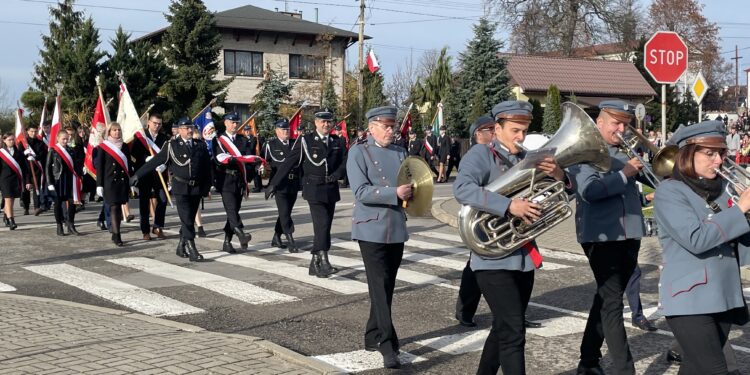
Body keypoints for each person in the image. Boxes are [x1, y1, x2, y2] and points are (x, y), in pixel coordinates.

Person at [454, 101, 567, 375]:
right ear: (497, 128)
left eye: (524, 130)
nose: (521, 137)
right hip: (491, 260)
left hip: (522, 257)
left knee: (503, 328)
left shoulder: (526, 157)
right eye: (515, 130)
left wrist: (558, 174)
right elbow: (463, 189)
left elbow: (560, 194)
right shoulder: (481, 154)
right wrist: (508, 206)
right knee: (514, 331)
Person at [653, 120, 750, 375]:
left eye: (720, 153)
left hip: (724, 295)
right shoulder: (670, 192)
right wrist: (740, 209)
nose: (718, 161)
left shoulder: (721, 191)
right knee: (715, 370)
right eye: (709, 154)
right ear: (687, 153)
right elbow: (697, 239)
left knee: (695, 369)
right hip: (689, 299)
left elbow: (741, 245)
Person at [567, 100, 647, 375]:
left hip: (630, 232)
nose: (622, 129)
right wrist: (625, 174)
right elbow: (589, 191)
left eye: (625, 124)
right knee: (613, 302)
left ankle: (588, 359)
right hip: (600, 236)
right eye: (616, 123)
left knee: (606, 298)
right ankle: (625, 370)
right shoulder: (583, 152)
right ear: (599, 123)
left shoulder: (625, 151)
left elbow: (649, 177)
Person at [347, 106, 412, 369]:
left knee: (386, 287)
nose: (390, 130)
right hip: (370, 228)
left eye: (392, 125)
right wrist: (394, 192)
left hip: (395, 226)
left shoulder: (400, 152)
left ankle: (372, 334)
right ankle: (388, 344)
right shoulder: (358, 152)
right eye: (385, 126)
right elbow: (361, 192)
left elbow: (411, 181)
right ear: (372, 127)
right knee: (379, 284)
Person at [266, 108, 348, 278]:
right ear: (316, 123)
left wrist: (337, 175)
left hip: (331, 189)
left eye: (328, 121)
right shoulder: (306, 140)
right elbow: (289, 161)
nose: (326, 124)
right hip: (314, 189)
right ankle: (324, 260)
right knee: (322, 224)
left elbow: (345, 162)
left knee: (325, 227)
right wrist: (273, 183)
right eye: (322, 121)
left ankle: (314, 264)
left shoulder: (337, 142)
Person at [130, 117, 212, 262]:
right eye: (186, 128)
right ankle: (192, 249)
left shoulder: (200, 145)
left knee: (189, 219)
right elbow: (156, 160)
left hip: (196, 188)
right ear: (179, 130)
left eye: (191, 127)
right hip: (181, 188)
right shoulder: (172, 145)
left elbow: (206, 168)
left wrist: (207, 187)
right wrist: (137, 175)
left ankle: (181, 246)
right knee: (186, 219)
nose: (189, 130)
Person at [212, 112, 253, 253]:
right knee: (231, 210)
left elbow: (248, 157)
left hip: (239, 180)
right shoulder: (218, 140)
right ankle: (241, 234)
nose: (234, 125)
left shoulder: (242, 139)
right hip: (225, 180)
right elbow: (219, 158)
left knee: (234, 211)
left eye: (236, 122)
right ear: (225, 123)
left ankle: (227, 241)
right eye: (231, 122)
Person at [264, 118, 301, 253]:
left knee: (286, 212)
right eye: (283, 129)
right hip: (279, 185)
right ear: (277, 131)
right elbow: (264, 163)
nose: (286, 132)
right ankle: (290, 238)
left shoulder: (295, 144)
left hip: (293, 183)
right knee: (284, 212)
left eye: (287, 129)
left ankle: (276, 236)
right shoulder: (271, 145)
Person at [131, 113, 170, 241]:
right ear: (149, 122)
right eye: (155, 123)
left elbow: (168, 155)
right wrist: (145, 158)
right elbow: (134, 154)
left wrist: (164, 165)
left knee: (163, 200)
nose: (157, 126)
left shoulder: (165, 138)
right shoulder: (142, 137)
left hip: (159, 174)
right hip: (145, 174)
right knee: (144, 203)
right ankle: (145, 230)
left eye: (159, 124)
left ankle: (157, 226)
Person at [96, 122, 132, 247]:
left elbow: (129, 166)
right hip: (109, 182)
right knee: (114, 207)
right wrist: (99, 184)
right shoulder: (103, 147)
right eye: (114, 130)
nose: (117, 132)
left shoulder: (125, 146)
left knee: (119, 209)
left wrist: (132, 181)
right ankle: (117, 235)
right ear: (109, 132)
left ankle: (115, 232)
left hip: (122, 181)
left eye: (119, 130)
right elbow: (99, 167)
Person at [46, 130, 83, 236]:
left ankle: (71, 224)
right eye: (63, 138)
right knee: (58, 203)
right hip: (58, 180)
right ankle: (59, 226)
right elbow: (48, 167)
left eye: (67, 138)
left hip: (70, 179)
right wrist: (49, 183)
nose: (66, 140)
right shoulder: (53, 151)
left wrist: (80, 177)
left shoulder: (71, 150)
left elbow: (76, 165)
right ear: (58, 138)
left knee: (72, 202)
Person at [0, 133, 30, 230]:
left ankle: (6, 217)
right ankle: (12, 221)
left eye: (13, 139)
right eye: (9, 140)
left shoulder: (19, 153)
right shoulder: (1, 153)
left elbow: (25, 168)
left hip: (15, 179)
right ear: (4, 140)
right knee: (8, 199)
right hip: (4, 179)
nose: (11, 141)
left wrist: (28, 181)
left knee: (11, 200)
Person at [20, 125, 45, 216]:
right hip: (26, 169)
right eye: (31, 131)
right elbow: (19, 156)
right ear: (27, 131)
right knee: (26, 189)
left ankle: (36, 207)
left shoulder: (40, 143)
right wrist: (24, 153)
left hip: (37, 169)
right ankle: (26, 207)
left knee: (36, 188)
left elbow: (42, 155)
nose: (33, 133)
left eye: (35, 131)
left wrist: (35, 157)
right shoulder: (22, 143)